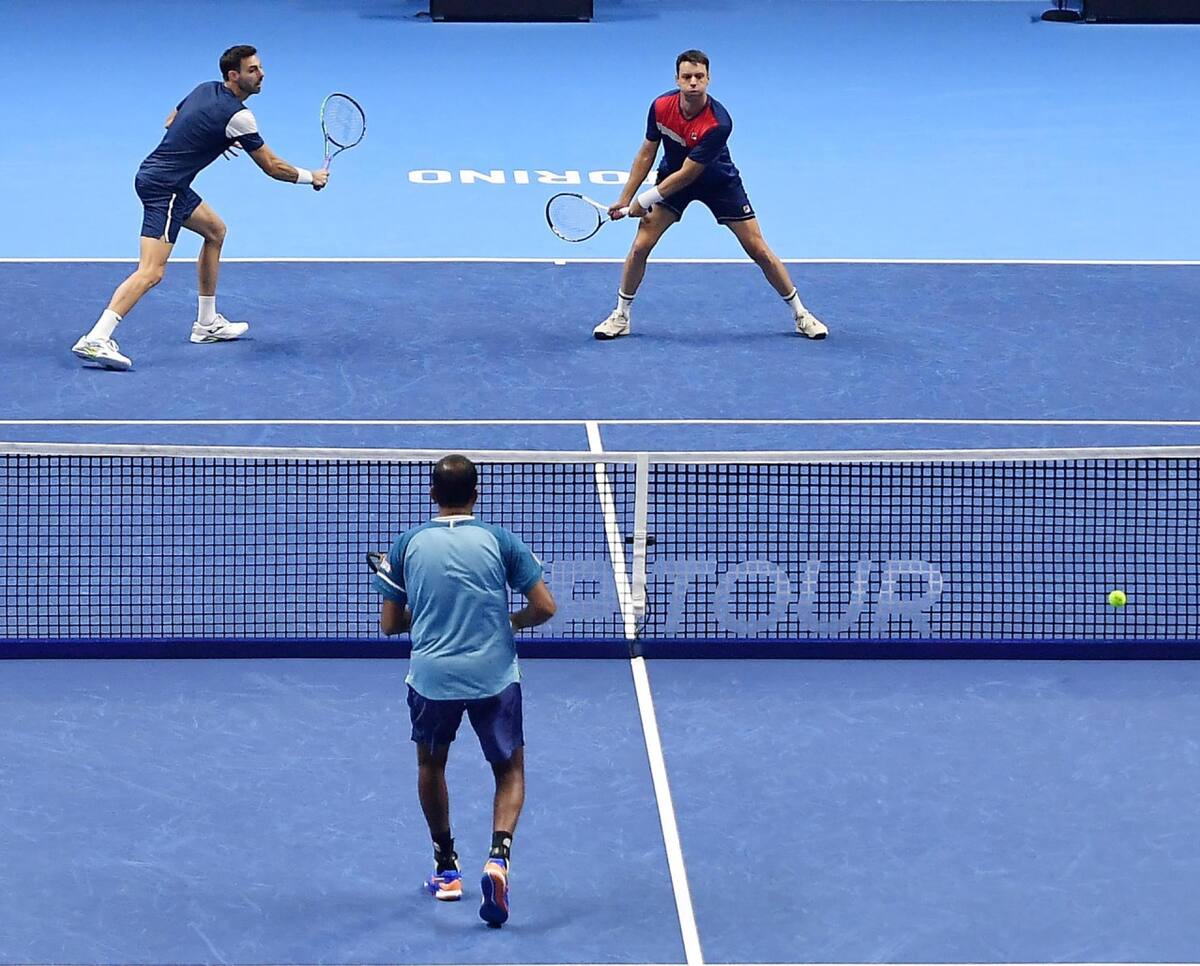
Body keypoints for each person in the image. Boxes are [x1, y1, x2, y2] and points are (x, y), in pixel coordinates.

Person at [372, 455, 557, 928]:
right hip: (493, 676)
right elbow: (544, 607)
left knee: (431, 764)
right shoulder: (499, 541)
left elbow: (391, 625)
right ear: (477, 494)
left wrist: (429, 617)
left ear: (433, 495)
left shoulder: (409, 544)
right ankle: (498, 857)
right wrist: (508, 621)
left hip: (434, 680)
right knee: (509, 770)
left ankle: (446, 868)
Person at [71, 45, 329, 371]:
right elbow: (272, 166)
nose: (261, 74)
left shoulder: (204, 88)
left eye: (260, 67)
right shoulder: (240, 117)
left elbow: (172, 120)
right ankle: (96, 337)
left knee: (215, 231)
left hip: (162, 179)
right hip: (166, 189)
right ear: (233, 76)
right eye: (253, 70)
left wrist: (214, 136)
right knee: (151, 271)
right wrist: (311, 178)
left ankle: (206, 324)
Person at [594, 49, 828, 341]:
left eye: (699, 77)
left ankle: (801, 314)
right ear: (677, 79)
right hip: (671, 177)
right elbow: (647, 151)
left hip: (718, 183)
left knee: (758, 249)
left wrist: (644, 200)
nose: (693, 82)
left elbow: (689, 174)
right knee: (641, 246)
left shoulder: (718, 123)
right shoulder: (660, 106)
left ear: (708, 79)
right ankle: (621, 315)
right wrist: (626, 197)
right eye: (687, 76)